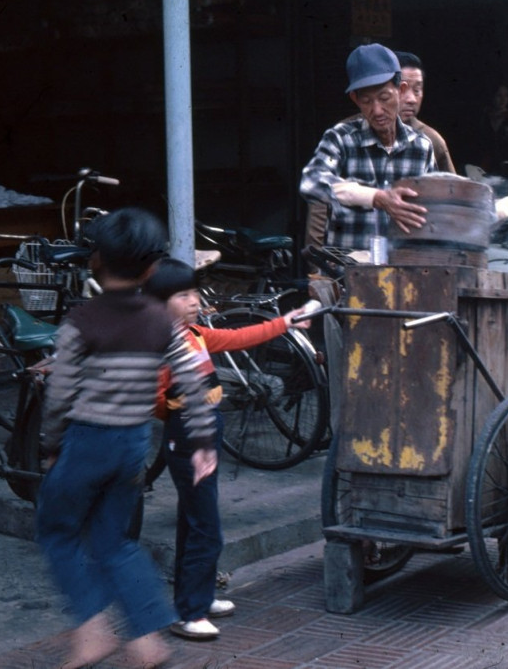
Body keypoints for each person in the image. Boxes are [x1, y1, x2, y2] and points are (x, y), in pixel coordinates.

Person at [35, 208, 217, 668]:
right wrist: (201, 444)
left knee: (57, 530)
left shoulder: (82, 321)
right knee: (115, 542)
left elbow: (60, 394)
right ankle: (146, 640)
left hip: (88, 441)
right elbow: (192, 381)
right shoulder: (161, 321)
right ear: (152, 268)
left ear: (95, 260)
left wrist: (50, 445)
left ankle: (93, 630)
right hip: (134, 444)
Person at [142, 258, 311, 640]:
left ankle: (196, 592)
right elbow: (150, 396)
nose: (194, 301)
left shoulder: (194, 334)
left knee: (196, 517)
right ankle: (191, 610)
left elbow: (238, 338)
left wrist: (284, 323)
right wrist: (179, 412)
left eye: (194, 293)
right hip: (190, 438)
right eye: (182, 295)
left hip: (205, 433)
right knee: (206, 526)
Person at [300, 43, 434, 253]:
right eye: (366, 101)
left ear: (401, 90)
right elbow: (311, 182)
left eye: (384, 98)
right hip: (347, 273)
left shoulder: (421, 147)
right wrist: (376, 198)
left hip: (403, 274)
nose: (377, 110)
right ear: (355, 99)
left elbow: (434, 208)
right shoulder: (341, 139)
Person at [395, 50, 456, 174]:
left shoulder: (432, 140)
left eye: (417, 90)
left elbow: (451, 189)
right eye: (402, 89)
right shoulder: (348, 134)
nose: (411, 99)